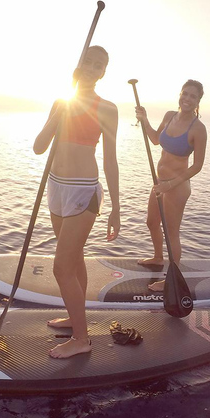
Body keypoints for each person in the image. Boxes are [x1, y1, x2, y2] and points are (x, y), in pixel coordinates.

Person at [33, 45, 120, 359]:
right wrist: (57, 116)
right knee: (75, 259)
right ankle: (75, 316)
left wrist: (116, 208)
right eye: (89, 61)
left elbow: (110, 160)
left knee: (61, 268)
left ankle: (82, 340)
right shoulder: (61, 101)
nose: (93, 68)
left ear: (102, 73)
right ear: (79, 64)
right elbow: (39, 148)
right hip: (56, 188)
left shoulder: (107, 108)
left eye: (99, 65)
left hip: (84, 191)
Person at [134, 79, 207, 291]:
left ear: (198, 101)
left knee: (171, 233)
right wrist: (145, 120)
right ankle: (158, 258)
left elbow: (198, 165)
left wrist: (171, 184)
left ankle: (171, 280)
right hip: (160, 182)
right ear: (180, 94)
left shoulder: (198, 129)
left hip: (177, 187)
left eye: (193, 96)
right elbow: (156, 139)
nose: (187, 99)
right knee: (151, 222)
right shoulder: (169, 116)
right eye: (185, 93)